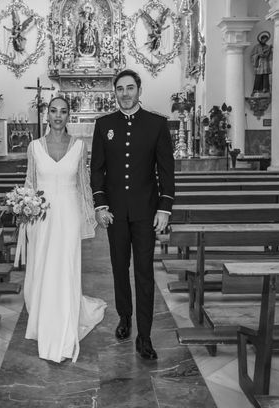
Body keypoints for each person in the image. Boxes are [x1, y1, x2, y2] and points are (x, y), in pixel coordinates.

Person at [90, 69, 175, 360]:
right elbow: (97, 169)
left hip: (145, 211)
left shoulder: (156, 124)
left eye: (130, 88)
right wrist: (100, 205)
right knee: (118, 268)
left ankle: (146, 336)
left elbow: (166, 171)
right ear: (114, 92)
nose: (125, 94)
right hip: (115, 213)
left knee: (144, 272)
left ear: (139, 90)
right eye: (120, 89)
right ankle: (125, 317)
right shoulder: (104, 125)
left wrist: (165, 207)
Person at [22, 96, 106, 363]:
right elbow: (30, 181)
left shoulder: (80, 146)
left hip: (69, 215)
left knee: (66, 267)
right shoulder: (34, 146)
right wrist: (24, 208)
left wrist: (93, 212)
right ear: (47, 114)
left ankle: (66, 325)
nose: (58, 115)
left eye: (63, 111)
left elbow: (83, 182)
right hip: (42, 216)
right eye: (53, 111)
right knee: (44, 267)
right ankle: (45, 318)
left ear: (69, 115)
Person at [250, 31, 273, 95]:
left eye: (266, 40)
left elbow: (269, 56)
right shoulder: (257, 47)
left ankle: (265, 88)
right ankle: (256, 89)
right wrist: (257, 55)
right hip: (259, 63)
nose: (265, 41)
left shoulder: (268, 47)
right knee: (258, 76)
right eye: (264, 40)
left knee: (265, 75)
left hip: (265, 63)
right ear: (261, 39)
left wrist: (269, 50)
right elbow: (253, 55)